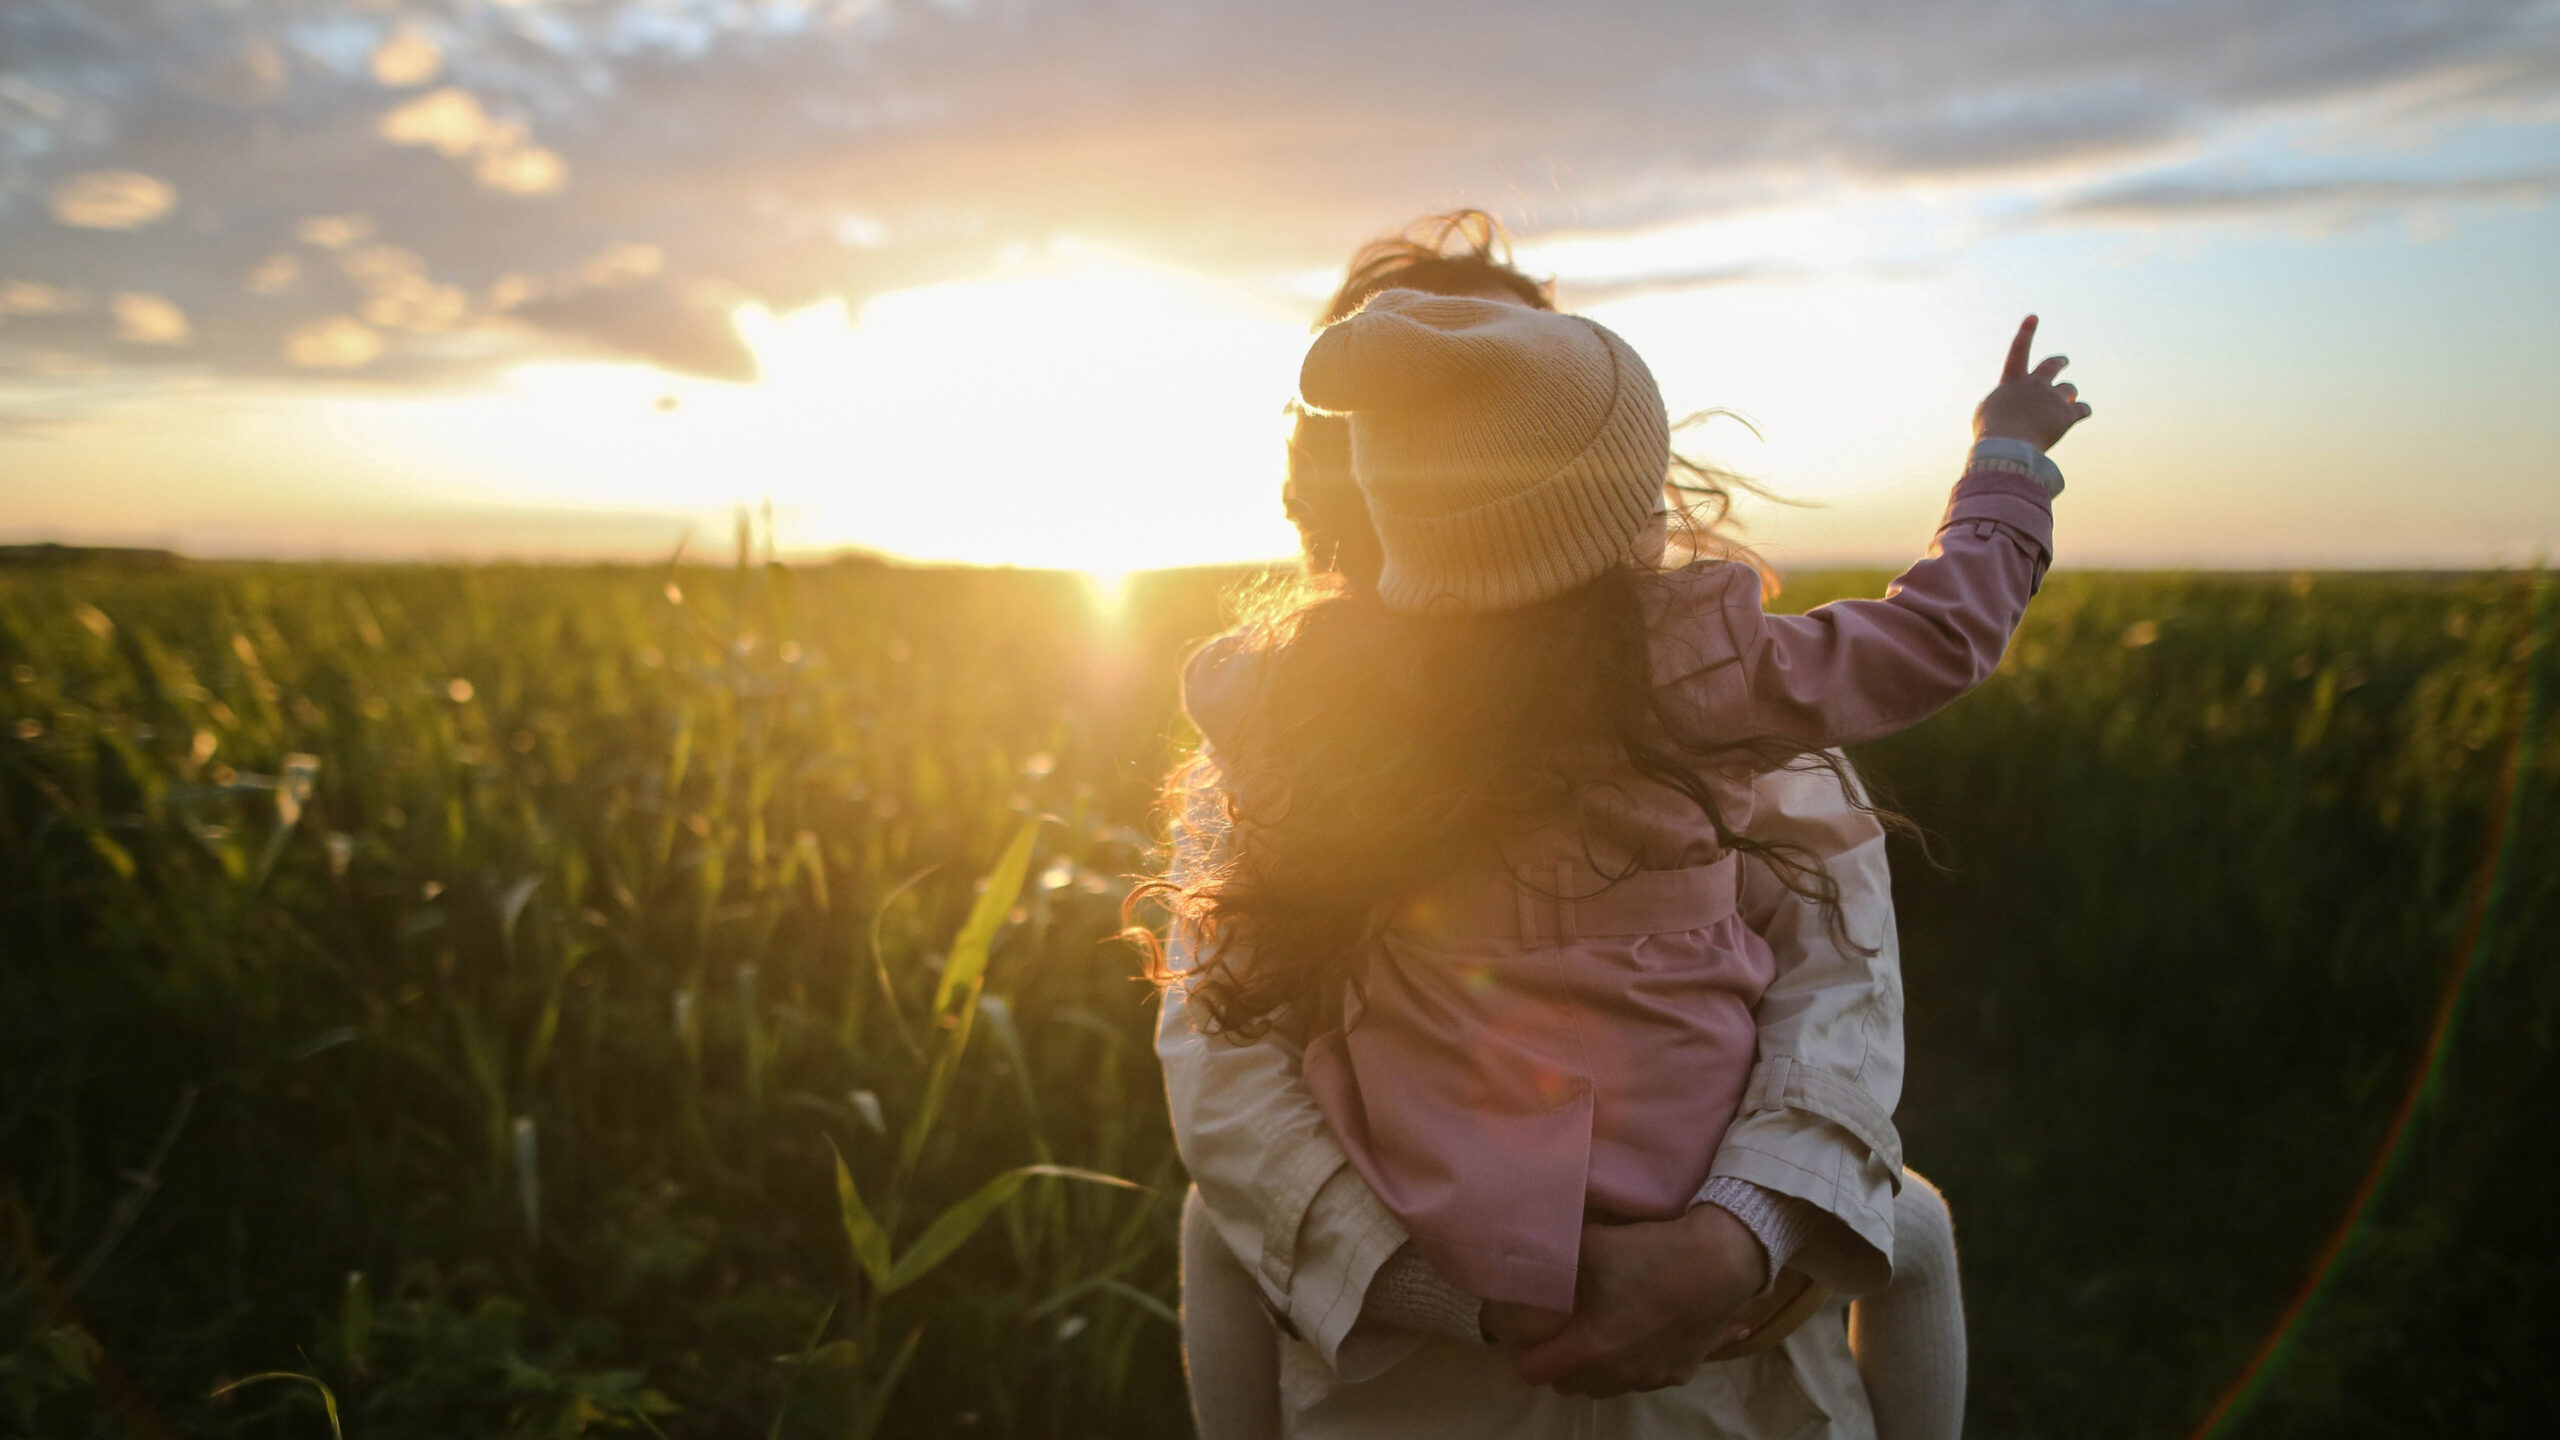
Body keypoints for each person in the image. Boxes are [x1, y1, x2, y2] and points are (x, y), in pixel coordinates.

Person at [1152, 214, 2080, 1438]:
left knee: (1211, 1225)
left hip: (1575, 1276)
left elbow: (1834, 996)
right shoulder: (1709, 679)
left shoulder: (1302, 700)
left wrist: (1717, 1247)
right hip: (1497, 1310)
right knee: (1912, 1223)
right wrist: (2004, 463)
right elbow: (1937, 637)